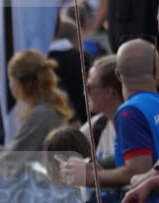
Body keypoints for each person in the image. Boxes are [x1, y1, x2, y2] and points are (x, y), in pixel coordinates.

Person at [61, 38, 159, 190]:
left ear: (119, 75)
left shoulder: (129, 113)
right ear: (155, 71)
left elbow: (138, 172)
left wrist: (90, 176)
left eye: (89, 87)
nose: (84, 93)